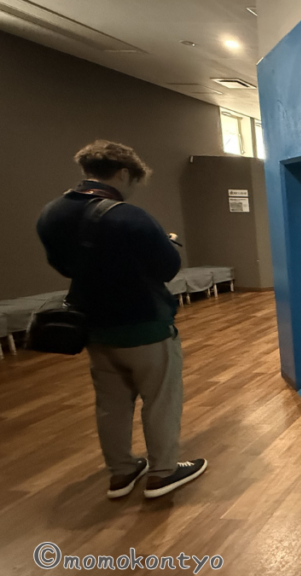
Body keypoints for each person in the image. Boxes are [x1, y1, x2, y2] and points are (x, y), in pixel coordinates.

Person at [37, 140, 207, 499]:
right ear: (123, 173)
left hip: (94, 327)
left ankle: (122, 472)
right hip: (145, 324)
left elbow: (64, 266)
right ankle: (162, 472)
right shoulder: (130, 216)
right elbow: (167, 268)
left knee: (110, 403)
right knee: (160, 399)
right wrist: (167, 243)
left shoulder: (51, 213)